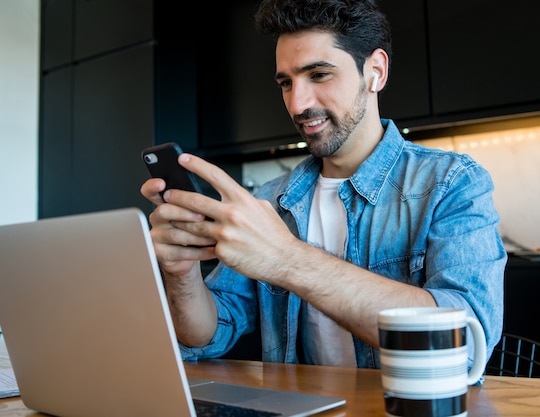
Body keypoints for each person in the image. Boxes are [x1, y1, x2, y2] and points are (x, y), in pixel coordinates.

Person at [140, 0, 506, 368]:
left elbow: (465, 344)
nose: (298, 104)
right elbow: (208, 334)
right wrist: (181, 273)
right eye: (286, 83)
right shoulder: (270, 201)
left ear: (375, 72)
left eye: (318, 75)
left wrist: (287, 259)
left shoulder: (451, 182)